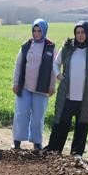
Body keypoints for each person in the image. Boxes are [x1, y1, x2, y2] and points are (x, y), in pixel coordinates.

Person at [45, 21, 88, 157]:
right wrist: (58, 74)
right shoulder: (67, 48)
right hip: (67, 97)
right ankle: (54, 151)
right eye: (77, 32)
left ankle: (76, 154)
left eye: (83, 32)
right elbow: (56, 63)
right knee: (61, 123)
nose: (80, 35)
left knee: (82, 126)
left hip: (85, 98)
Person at [11, 19, 56, 150]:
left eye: (39, 31)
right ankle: (17, 140)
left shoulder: (50, 47)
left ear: (44, 31)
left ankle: (37, 142)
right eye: (34, 30)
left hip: (41, 89)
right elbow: (18, 64)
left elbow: (54, 68)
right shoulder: (26, 45)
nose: (36, 33)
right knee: (21, 113)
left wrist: (52, 85)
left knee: (38, 116)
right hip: (24, 87)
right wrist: (15, 83)